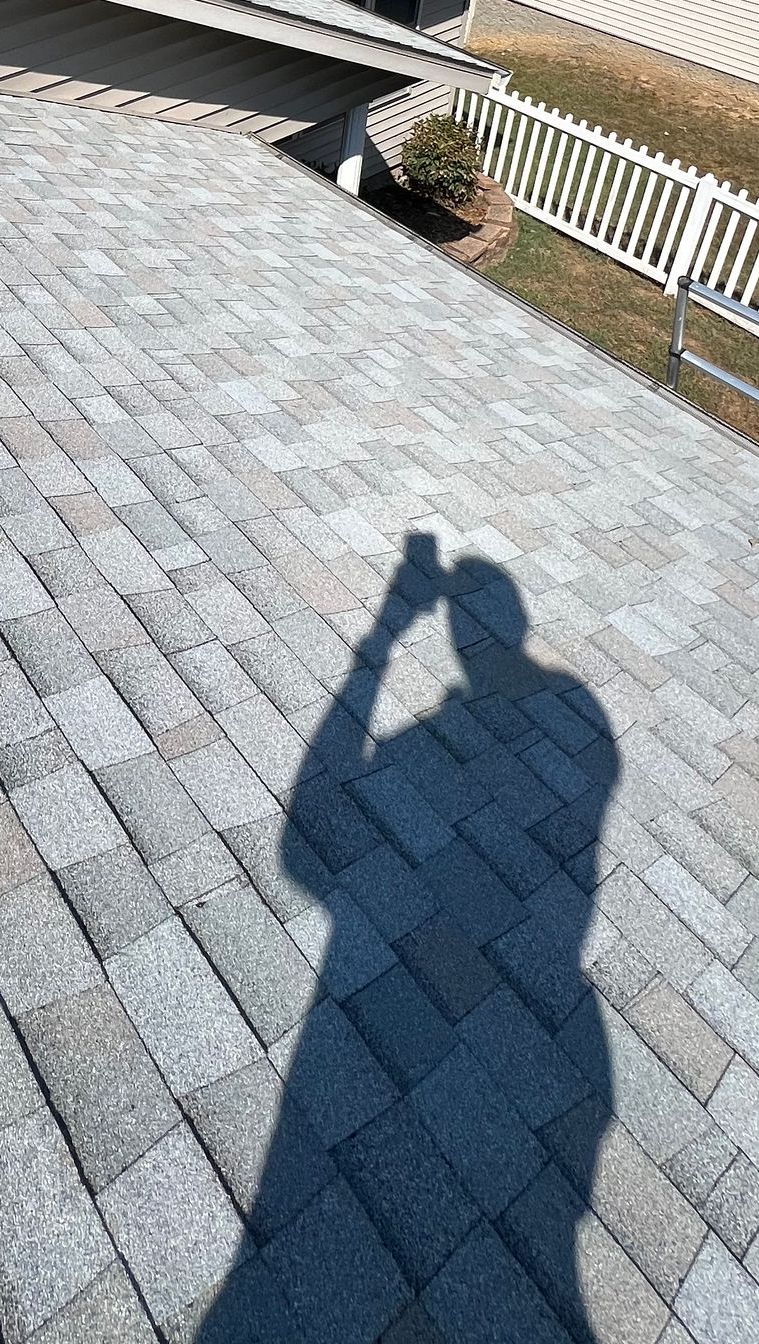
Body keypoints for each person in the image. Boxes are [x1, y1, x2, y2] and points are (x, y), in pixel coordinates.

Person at [199, 532, 618, 1343]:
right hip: (573, 1039)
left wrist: (382, 639)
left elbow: (301, 847)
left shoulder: (548, 712)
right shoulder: (582, 716)